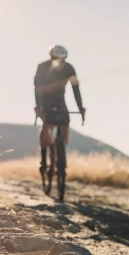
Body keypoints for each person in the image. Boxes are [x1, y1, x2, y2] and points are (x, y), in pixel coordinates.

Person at [34, 45, 86, 174]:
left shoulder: (69, 68)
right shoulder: (42, 67)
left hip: (60, 100)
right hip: (45, 100)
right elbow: (37, 88)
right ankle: (43, 159)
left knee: (65, 124)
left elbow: (75, 88)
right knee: (47, 124)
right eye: (55, 58)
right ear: (50, 57)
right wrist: (39, 107)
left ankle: (61, 156)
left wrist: (80, 107)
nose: (58, 61)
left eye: (61, 59)